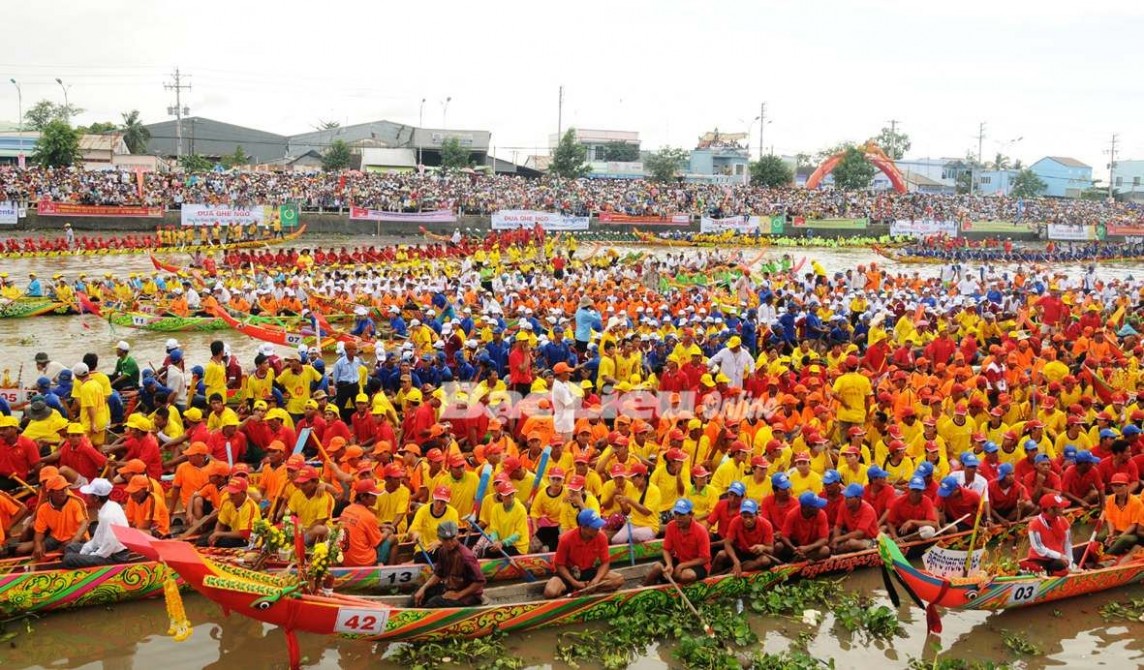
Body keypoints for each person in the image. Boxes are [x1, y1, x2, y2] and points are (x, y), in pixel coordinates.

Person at [544, 508, 625, 598]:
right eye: (594, 527)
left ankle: (585, 590)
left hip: (588, 572)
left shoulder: (601, 537)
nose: (598, 529)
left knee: (618, 579)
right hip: (569, 573)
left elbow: (605, 562)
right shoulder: (566, 539)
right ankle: (578, 590)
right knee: (550, 591)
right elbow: (559, 565)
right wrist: (574, 582)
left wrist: (596, 580)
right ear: (584, 527)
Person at [411, 520, 486, 607]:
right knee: (419, 593)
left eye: (452, 539)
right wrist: (423, 588)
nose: (449, 543)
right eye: (446, 540)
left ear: (457, 535)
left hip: (468, 595)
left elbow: (480, 581)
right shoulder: (442, 551)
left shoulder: (466, 556)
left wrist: (458, 595)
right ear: (439, 538)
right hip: (451, 588)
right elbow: (438, 574)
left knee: (434, 602)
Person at [61, 479, 131, 568]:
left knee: (69, 559)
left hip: (115, 557)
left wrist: (91, 555)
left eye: (88, 496)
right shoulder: (109, 506)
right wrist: (85, 551)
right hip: (105, 550)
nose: (86, 498)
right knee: (70, 547)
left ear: (96, 498)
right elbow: (97, 537)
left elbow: (109, 545)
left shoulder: (108, 515)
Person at [643, 498, 711, 586]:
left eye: (682, 515)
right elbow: (666, 549)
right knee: (657, 567)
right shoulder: (671, 526)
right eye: (676, 514)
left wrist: (681, 566)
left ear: (691, 515)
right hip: (680, 559)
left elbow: (705, 558)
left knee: (687, 575)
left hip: (698, 565)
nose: (678, 518)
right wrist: (669, 564)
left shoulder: (701, 530)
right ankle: (644, 589)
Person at [23, 475, 88, 560]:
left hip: (76, 537)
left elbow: (84, 523)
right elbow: (39, 532)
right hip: (55, 537)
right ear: (50, 492)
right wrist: (38, 545)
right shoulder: (43, 508)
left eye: (65, 488)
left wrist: (74, 541)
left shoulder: (76, 502)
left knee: (67, 551)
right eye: (59, 490)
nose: (64, 491)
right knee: (32, 550)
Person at [1023, 493, 1084, 575]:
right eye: (1060, 507)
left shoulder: (1063, 521)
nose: (1063, 508)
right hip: (1039, 559)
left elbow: (1068, 544)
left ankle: (1056, 572)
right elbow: (1038, 547)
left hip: (1056, 560)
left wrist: (1070, 564)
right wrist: (1058, 555)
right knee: (1033, 569)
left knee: (1063, 564)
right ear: (1050, 509)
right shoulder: (1034, 524)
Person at [711, 499, 775, 576]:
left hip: (755, 555)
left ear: (757, 514)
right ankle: (710, 577)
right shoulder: (735, 521)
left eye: (751, 517)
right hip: (740, 552)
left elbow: (771, 549)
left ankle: (728, 573)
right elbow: (727, 543)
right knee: (721, 554)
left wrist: (763, 547)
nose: (748, 520)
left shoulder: (766, 525)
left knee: (765, 561)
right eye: (745, 517)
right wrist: (736, 561)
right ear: (740, 515)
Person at [340, 479, 386, 567]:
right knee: (392, 539)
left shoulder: (346, 510)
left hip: (343, 560)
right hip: (362, 562)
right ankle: (385, 566)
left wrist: (380, 526)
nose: (376, 498)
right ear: (362, 497)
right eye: (373, 495)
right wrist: (387, 533)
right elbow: (377, 542)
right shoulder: (369, 516)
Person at [777, 492, 832, 561]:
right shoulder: (792, 514)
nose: (819, 508)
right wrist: (794, 548)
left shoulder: (821, 514)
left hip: (812, 546)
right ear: (806, 508)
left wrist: (808, 548)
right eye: (816, 506)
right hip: (795, 546)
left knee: (825, 550)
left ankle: (800, 561)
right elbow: (784, 536)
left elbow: (824, 539)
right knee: (779, 546)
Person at [1098, 473, 1143, 556]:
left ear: (1127, 486)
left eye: (1120, 485)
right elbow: (1109, 519)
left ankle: (1106, 557)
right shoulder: (1110, 499)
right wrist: (1111, 534)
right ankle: (1100, 553)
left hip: (1131, 533)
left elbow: (1134, 525)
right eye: (1114, 486)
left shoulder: (1136, 502)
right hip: (1116, 530)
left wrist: (1120, 536)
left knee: (1122, 540)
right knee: (1099, 537)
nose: (1117, 488)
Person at [830, 483, 879, 553]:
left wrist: (838, 539)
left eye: (849, 498)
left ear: (858, 498)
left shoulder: (868, 510)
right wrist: (835, 540)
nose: (846, 500)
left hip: (869, 539)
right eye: (845, 497)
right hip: (852, 536)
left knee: (852, 543)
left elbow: (859, 533)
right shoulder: (843, 505)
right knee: (831, 536)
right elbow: (838, 526)